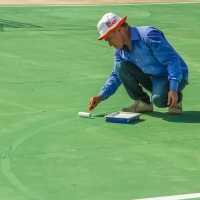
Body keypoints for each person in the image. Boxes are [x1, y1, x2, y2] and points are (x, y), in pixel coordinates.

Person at [88, 13, 189, 115]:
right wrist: (101, 96)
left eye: (109, 39)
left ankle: (177, 99)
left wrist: (173, 88)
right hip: (152, 77)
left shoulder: (148, 35)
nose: (109, 44)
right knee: (121, 67)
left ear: (119, 29)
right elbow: (116, 75)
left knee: (159, 100)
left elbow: (172, 60)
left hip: (173, 75)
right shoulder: (119, 50)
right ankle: (143, 103)